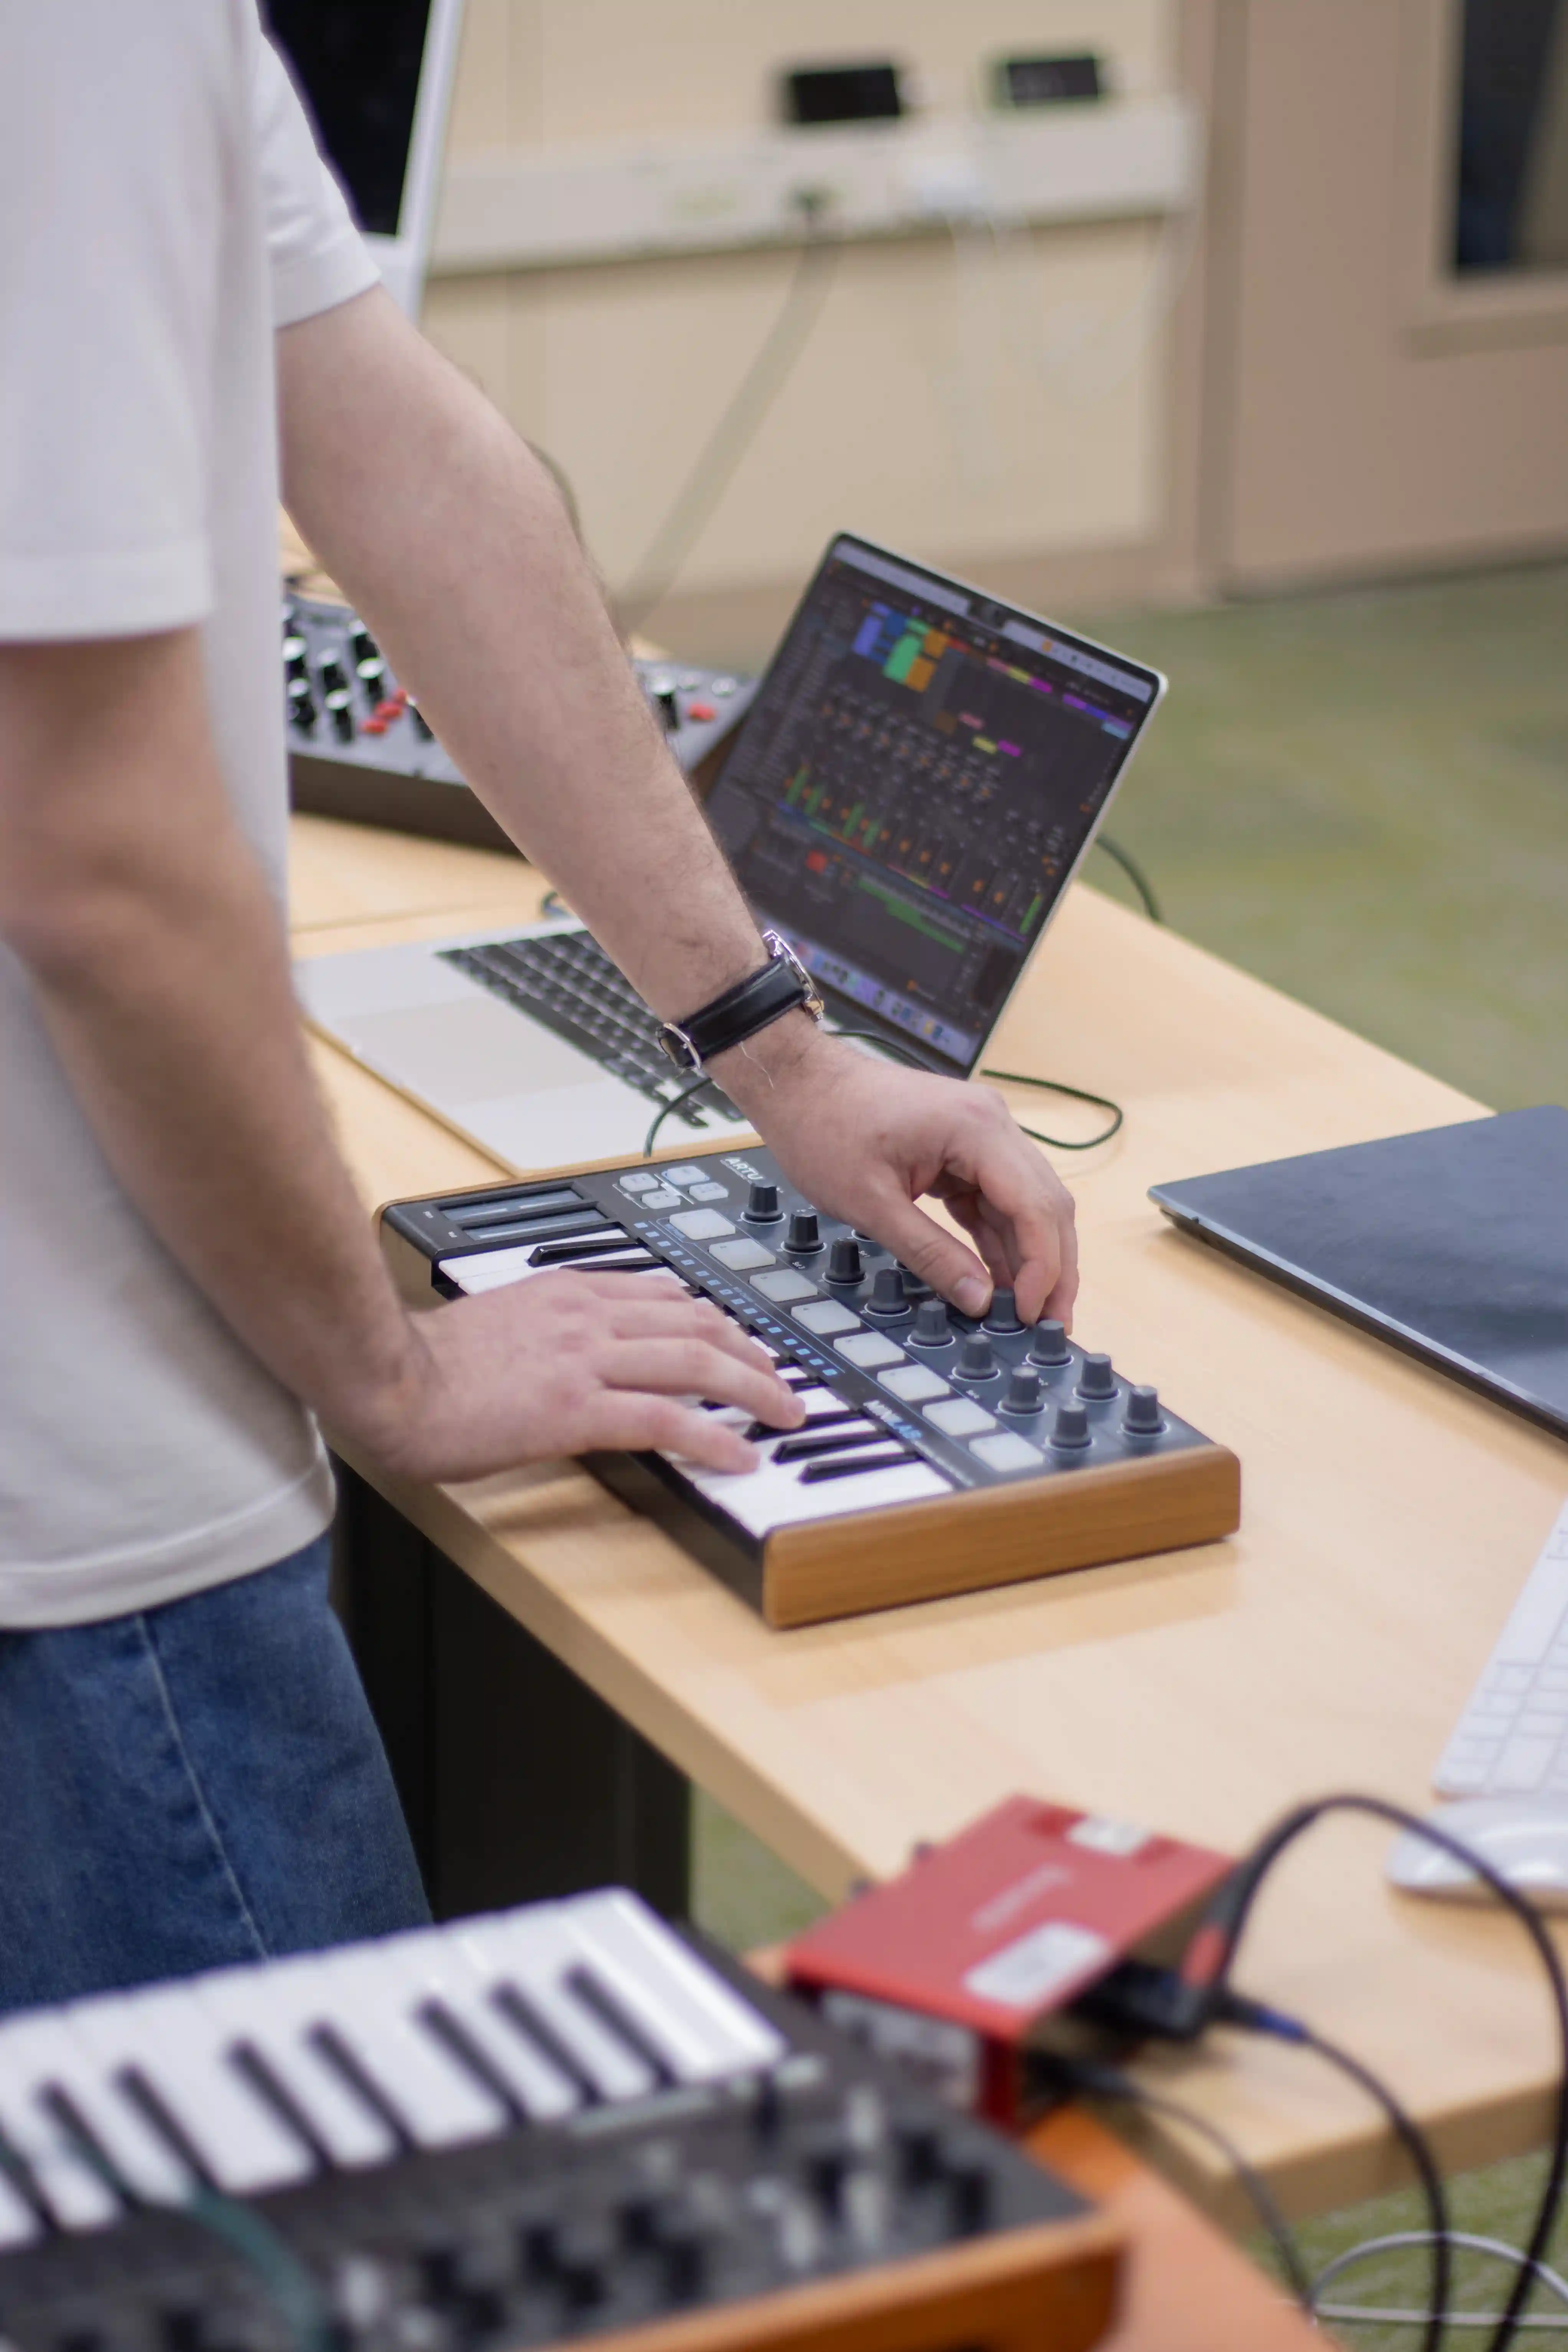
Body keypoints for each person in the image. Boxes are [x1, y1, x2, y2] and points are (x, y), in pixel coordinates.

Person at [0, 2, 1078, 2014]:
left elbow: (397, 450)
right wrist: (390, 1376)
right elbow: (103, 865)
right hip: (67, 1505)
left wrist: (773, 1040)